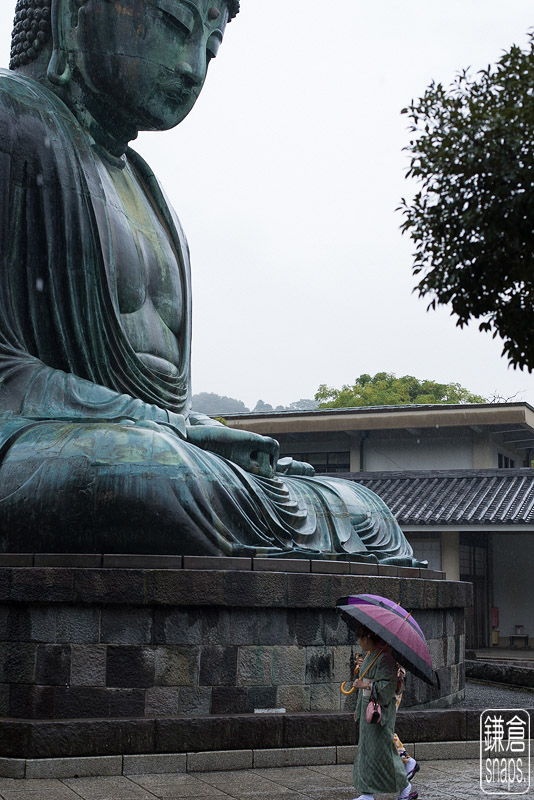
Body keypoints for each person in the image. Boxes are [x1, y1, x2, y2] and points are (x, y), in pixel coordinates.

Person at [0, 0, 426, 561]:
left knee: (358, 508)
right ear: (76, 8)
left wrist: (195, 433)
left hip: (145, 445)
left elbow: (163, 404)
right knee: (156, 479)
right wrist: (161, 428)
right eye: (176, 26)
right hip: (42, 449)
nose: (192, 67)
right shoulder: (12, 122)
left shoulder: (148, 191)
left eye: (211, 47)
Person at [351, 625, 414, 800]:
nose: (358, 642)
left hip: (380, 713)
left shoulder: (385, 657)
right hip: (366, 708)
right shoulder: (371, 656)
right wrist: (357, 709)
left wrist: (365, 685)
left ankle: (404, 785)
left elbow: (387, 687)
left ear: (367, 638)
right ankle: (367, 792)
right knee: (366, 751)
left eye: (359, 639)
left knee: (384, 752)